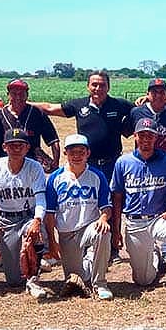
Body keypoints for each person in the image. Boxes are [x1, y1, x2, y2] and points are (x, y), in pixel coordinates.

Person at [32, 70, 133, 264]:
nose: (98, 88)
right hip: (87, 164)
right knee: (87, 202)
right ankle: (88, 245)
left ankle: (112, 248)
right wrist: (24, 104)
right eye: (94, 84)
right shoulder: (79, 105)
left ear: (108, 87)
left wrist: (163, 101)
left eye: (102, 85)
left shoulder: (118, 105)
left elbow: (144, 107)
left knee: (112, 203)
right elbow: (50, 108)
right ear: (88, 86)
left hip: (112, 163)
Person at [0, 78, 61, 271]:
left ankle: (43, 251)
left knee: (37, 207)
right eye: (14, 92)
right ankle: (2, 250)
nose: (18, 96)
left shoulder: (36, 113)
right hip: (6, 167)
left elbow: (52, 138)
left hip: (31, 166)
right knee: (6, 210)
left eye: (22, 92)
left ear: (27, 94)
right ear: (8, 93)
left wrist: (55, 160)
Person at [110, 118, 166, 300]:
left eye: (151, 136)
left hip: (158, 219)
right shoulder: (123, 162)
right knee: (144, 280)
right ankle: (155, 256)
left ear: (157, 138)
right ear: (135, 137)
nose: (146, 139)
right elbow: (117, 197)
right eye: (142, 135)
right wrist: (116, 230)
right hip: (135, 222)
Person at [0, 128, 49, 299]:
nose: (16, 149)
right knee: (13, 281)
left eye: (21, 145)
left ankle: (34, 280)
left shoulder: (34, 167)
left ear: (27, 148)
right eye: (12, 145)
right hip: (6, 220)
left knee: (36, 234)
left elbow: (41, 198)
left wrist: (37, 220)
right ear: (4, 147)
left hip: (28, 216)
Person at [44, 134, 114, 301]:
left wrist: (103, 218)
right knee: (76, 278)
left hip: (89, 227)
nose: (76, 156)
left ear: (88, 153)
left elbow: (106, 206)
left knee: (103, 233)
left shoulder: (97, 176)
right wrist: (53, 243)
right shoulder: (55, 178)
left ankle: (100, 284)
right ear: (65, 154)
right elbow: (50, 213)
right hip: (67, 234)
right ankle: (89, 262)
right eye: (72, 152)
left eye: (81, 151)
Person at [123, 78, 166, 157]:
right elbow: (125, 132)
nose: (158, 95)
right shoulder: (137, 112)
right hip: (143, 161)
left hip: (165, 162)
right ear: (147, 94)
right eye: (154, 92)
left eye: (162, 92)